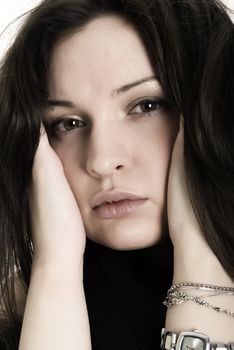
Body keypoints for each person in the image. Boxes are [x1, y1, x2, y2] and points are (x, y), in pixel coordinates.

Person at [0, 0, 233, 349]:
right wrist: (56, 268)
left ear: (211, 109)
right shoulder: (17, 312)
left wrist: (202, 253)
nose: (101, 161)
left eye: (146, 106)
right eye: (69, 123)